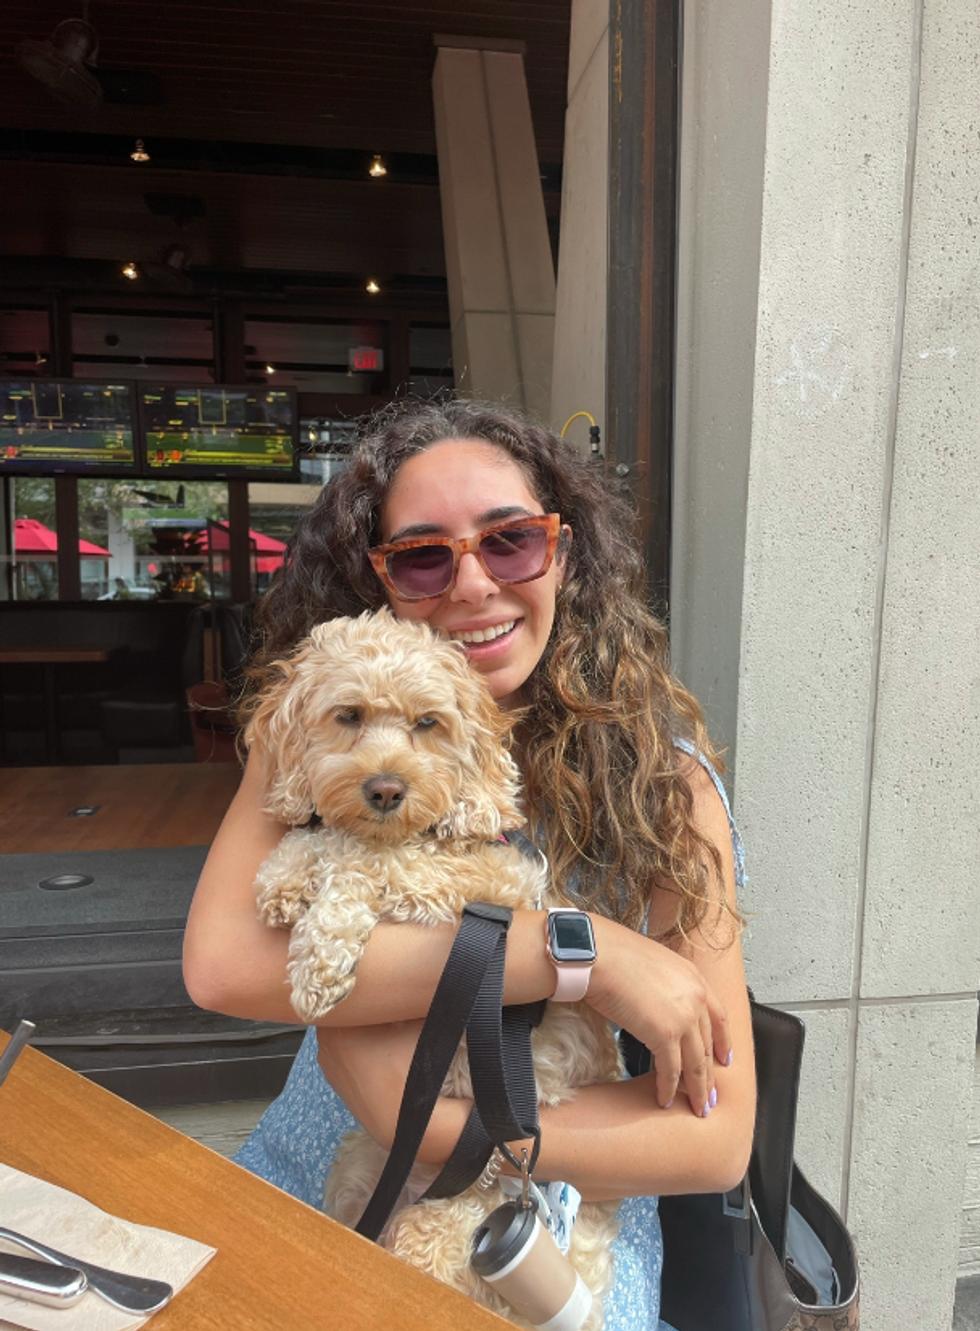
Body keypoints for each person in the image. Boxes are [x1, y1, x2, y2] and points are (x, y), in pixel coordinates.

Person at [183, 398, 755, 1330]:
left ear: (564, 554)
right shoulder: (316, 728)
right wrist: (585, 955)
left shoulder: (663, 785)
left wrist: (435, 1127)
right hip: (313, 1178)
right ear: (380, 582)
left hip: (538, 1229)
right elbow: (223, 965)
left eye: (511, 541)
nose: (473, 583)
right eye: (421, 555)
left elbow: (717, 1138)